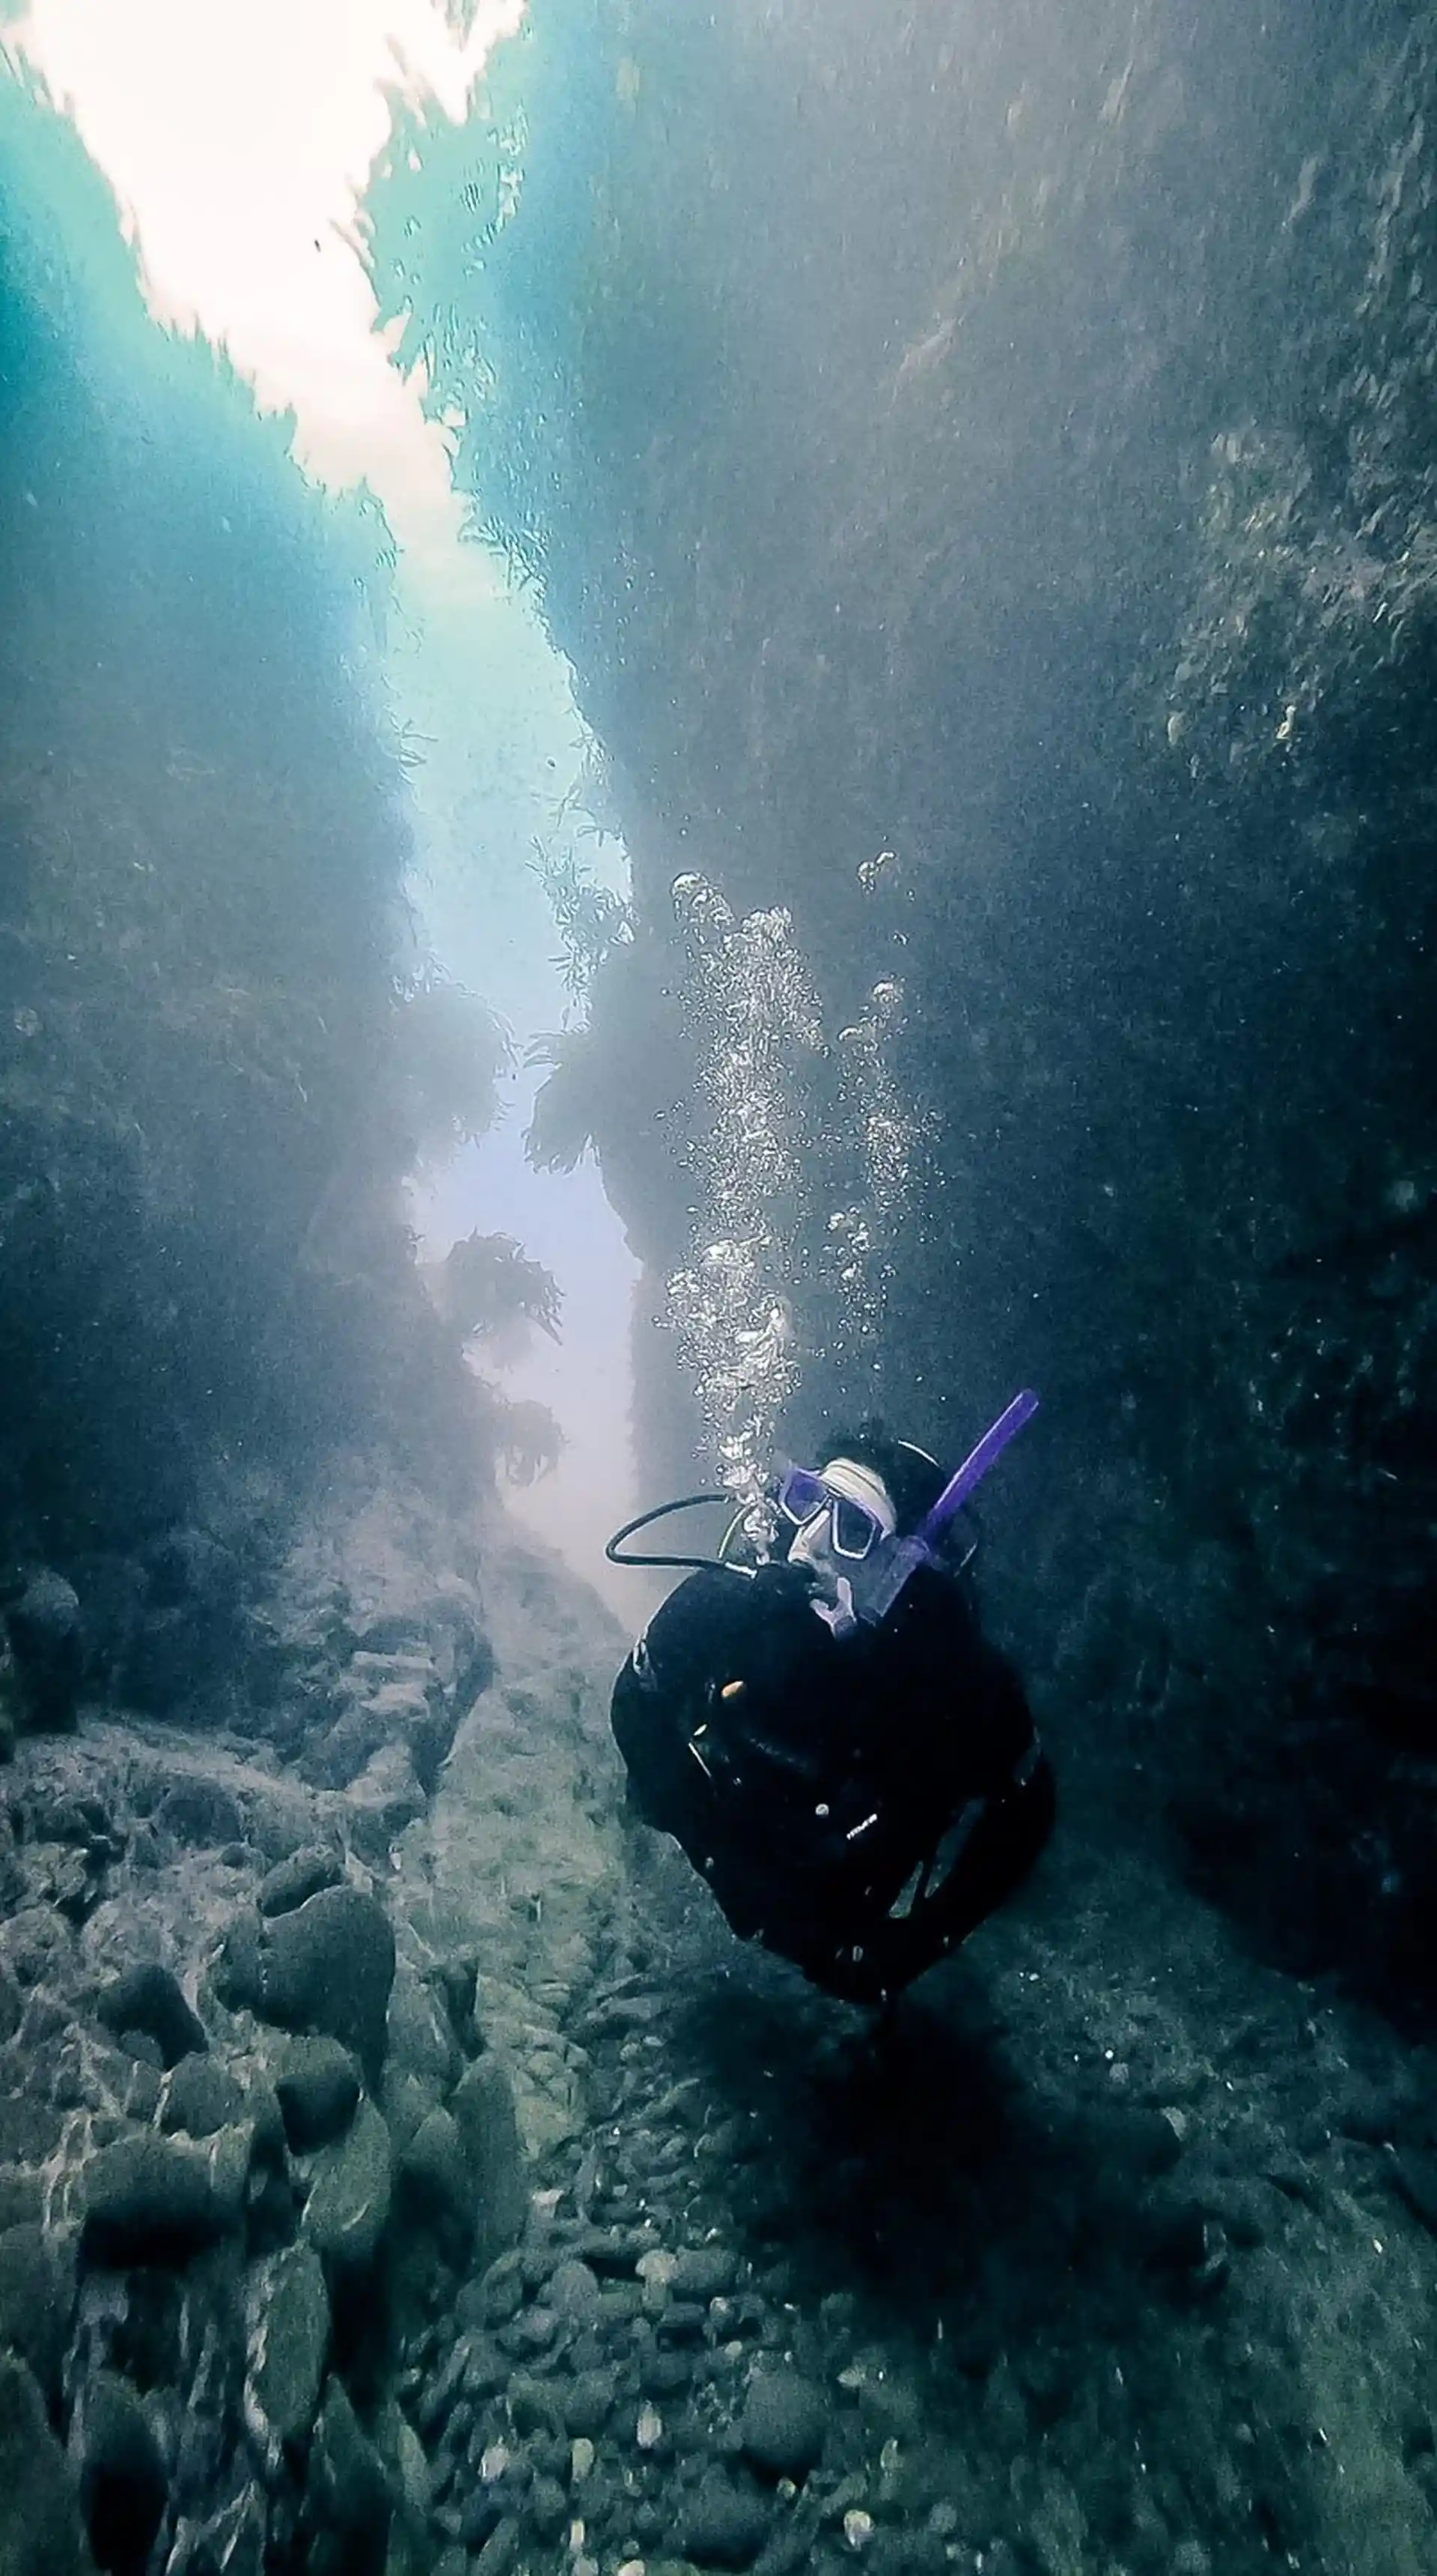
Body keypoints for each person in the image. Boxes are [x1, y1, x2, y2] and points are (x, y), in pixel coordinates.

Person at [607, 1406, 1055, 2007]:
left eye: (854, 1527)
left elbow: (1029, 1804)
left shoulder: (954, 1679)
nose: (810, 1541)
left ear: (903, 1566)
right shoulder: (733, 1609)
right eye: (808, 1500)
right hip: (725, 1823)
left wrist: (920, 1942)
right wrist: (711, 1850)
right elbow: (636, 1707)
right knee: (650, 1793)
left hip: (840, 1894)